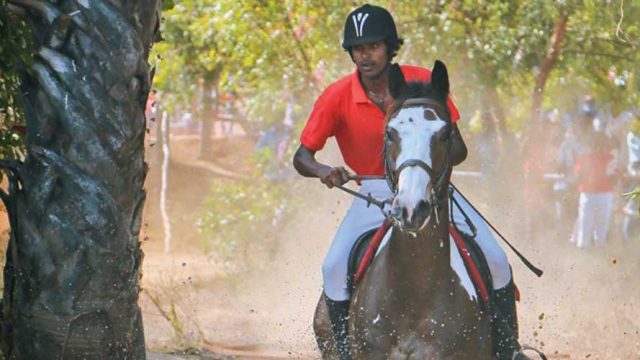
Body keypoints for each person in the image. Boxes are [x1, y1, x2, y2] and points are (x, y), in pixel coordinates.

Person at [292, 4, 523, 360]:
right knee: (334, 267)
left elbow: (457, 147)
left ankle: (509, 351)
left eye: (372, 46)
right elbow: (301, 156)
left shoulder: (423, 82)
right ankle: (343, 351)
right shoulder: (337, 96)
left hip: (432, 187)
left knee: (497, 260)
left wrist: (431, 163)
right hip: (373, 191)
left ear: (389, 46)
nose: (364, 55)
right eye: (357, 48)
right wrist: (324, 170)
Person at [572, 130, 619, 247]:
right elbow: (615, 179)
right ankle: (593, 255)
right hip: (599, 196)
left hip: (595, 195)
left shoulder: (587, 158)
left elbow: (577, 176)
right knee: (598, 231)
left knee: (588, 230)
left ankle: (591, 255)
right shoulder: (608, 158)